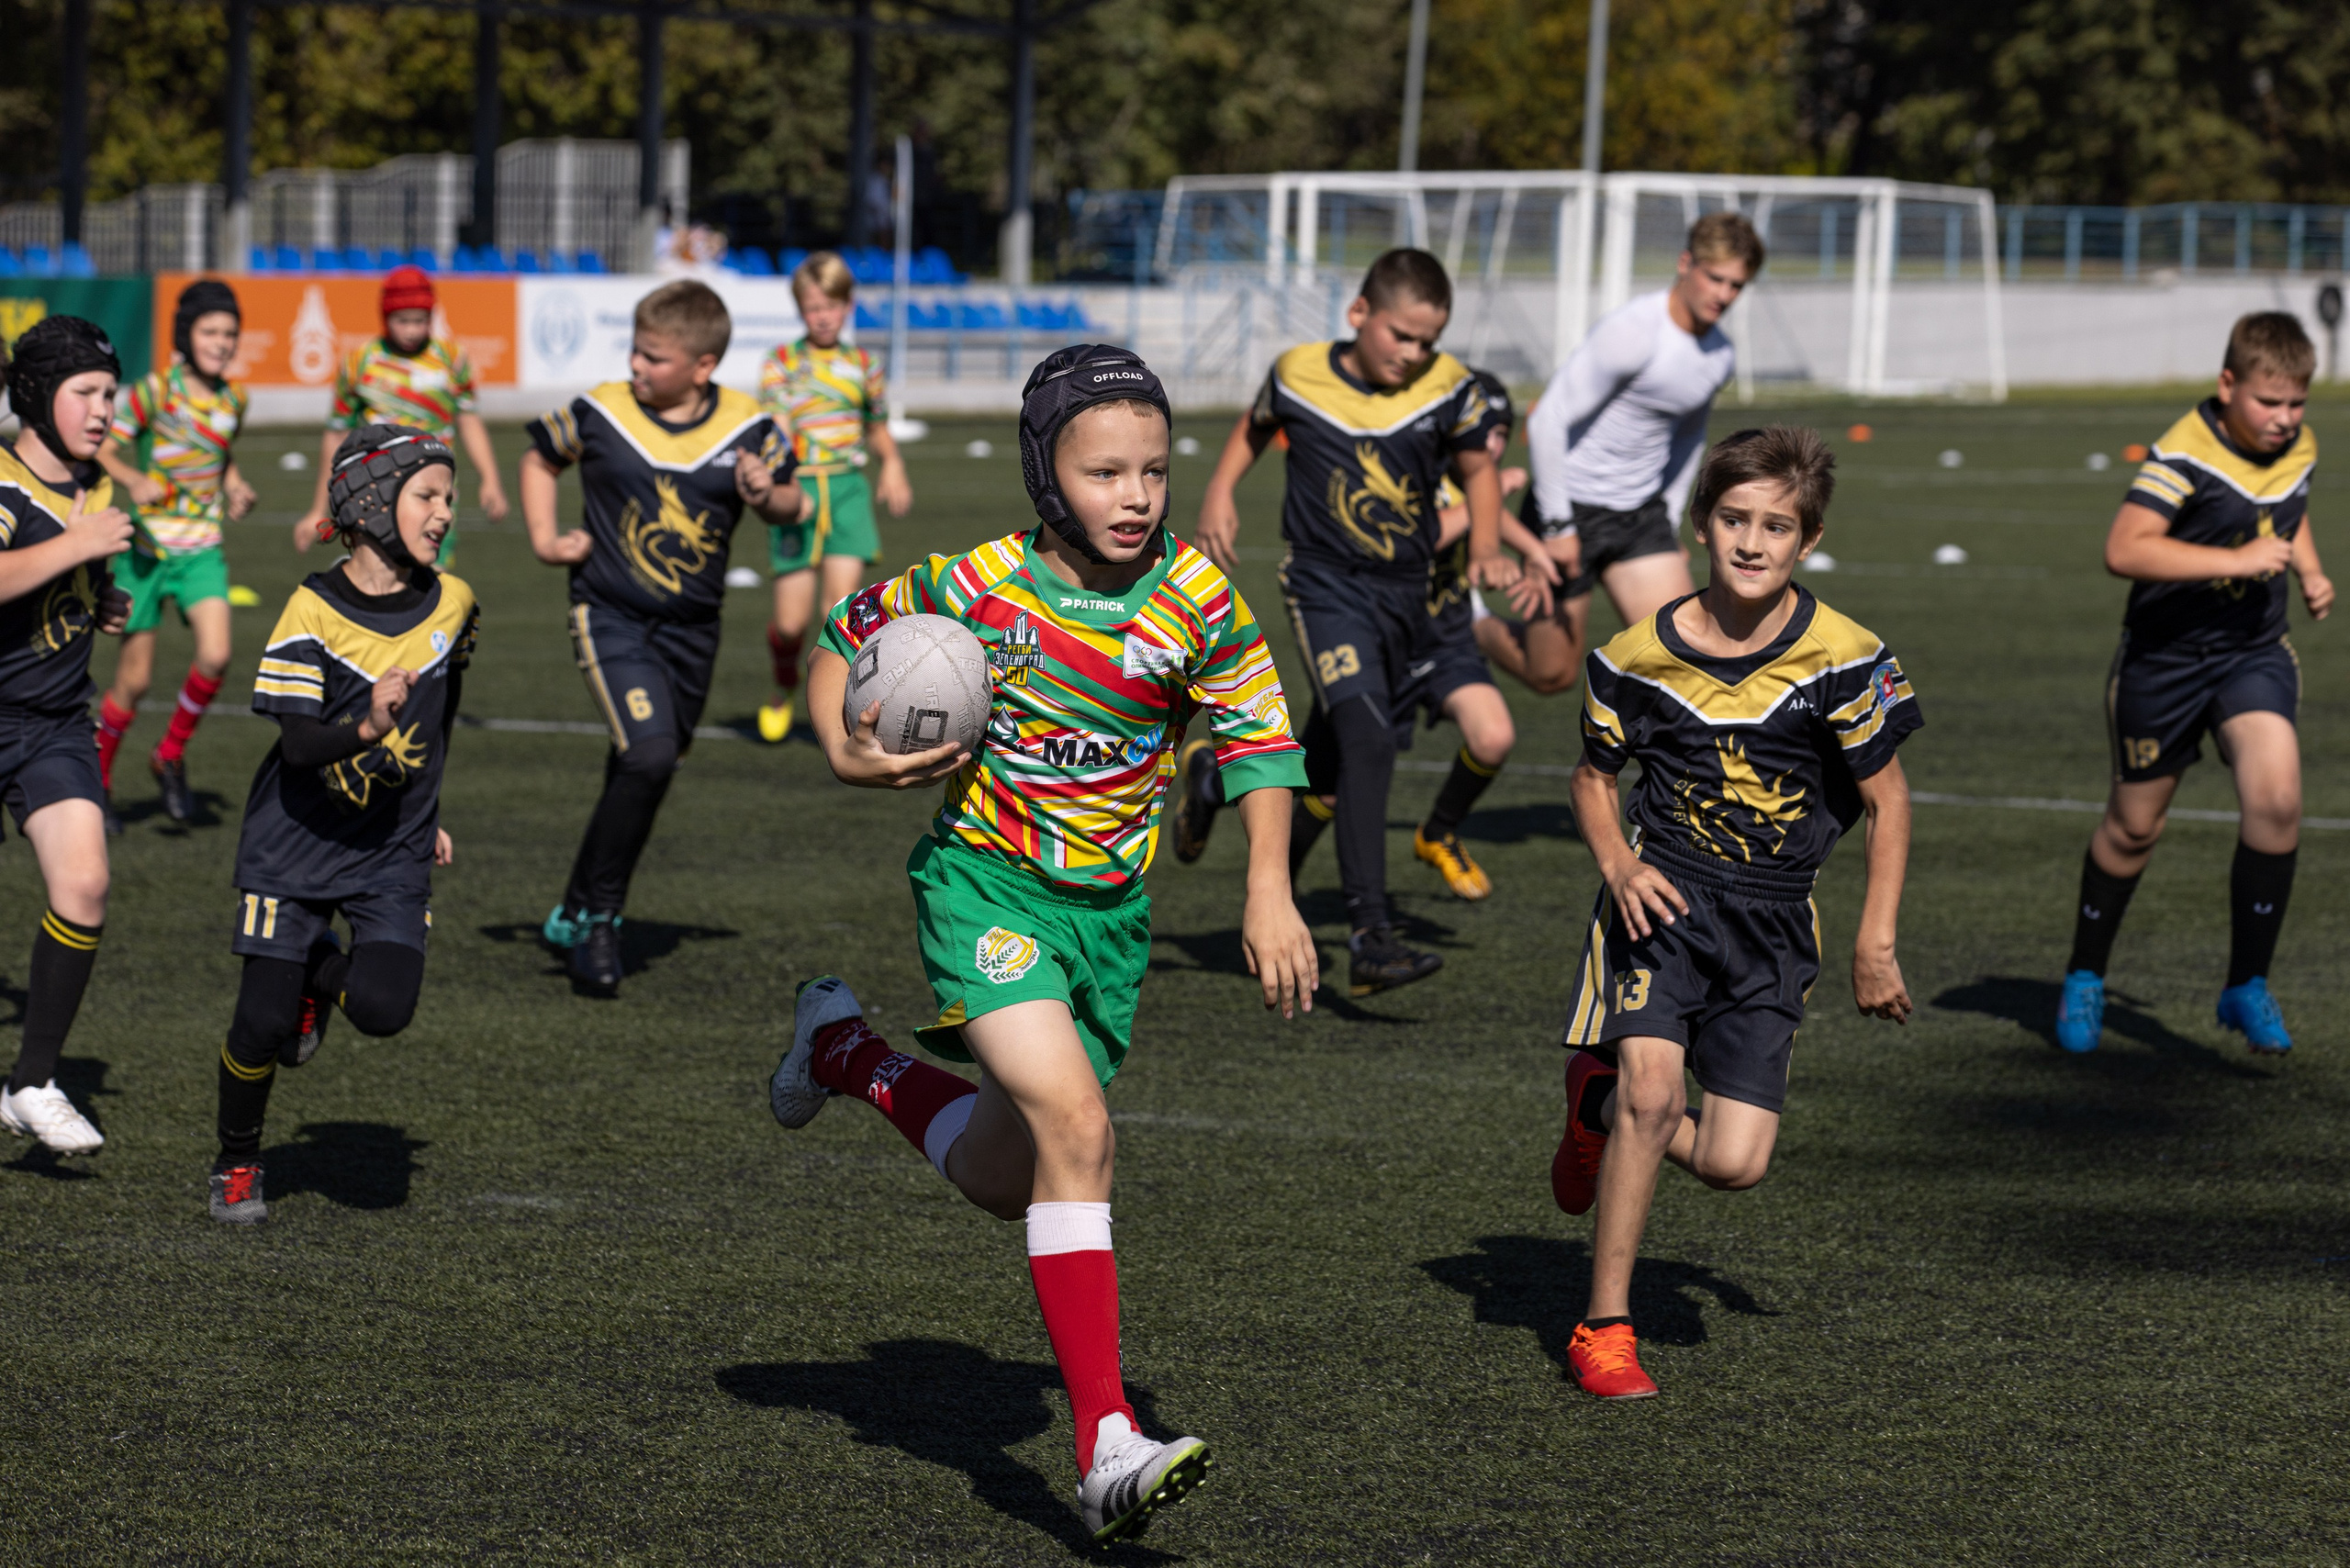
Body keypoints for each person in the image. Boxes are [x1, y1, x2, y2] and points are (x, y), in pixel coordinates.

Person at [769, 344, 1315, 1543]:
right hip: (984, 892)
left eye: (1152, 471)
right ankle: (1105, 1442)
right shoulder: (976, 586)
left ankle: (846, 1051)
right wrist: (848, 746)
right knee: (1080, 1127)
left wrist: (1267, 891)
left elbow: (1264, 741)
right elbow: (839, 640)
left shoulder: (1198, 599)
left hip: (1109, 921)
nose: (1133, 495)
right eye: (1103, 471)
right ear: (1044, 472)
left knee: (1004, 1174)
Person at [1551, 427, 1918, 1400]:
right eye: (1733, 520)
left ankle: (1592, 1100)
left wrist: (1874, 941)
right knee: (1654, 1093)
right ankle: (1604, 1325)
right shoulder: (1635, 655)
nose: (1752, 543)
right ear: (1699, 523)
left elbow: (1889, 800)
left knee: (1731, 1162)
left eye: (1776, 526)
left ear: (1809, 539)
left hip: (1772, 921)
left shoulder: (1845, 656)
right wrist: (1617, 862)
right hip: (1662, 902)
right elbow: (1593, 778)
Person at [1192, 249, 1523, 995]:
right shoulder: (1297, 372)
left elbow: (1478, 472)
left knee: (1330, 762)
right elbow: (1253, 426)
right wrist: (1220, 492)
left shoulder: (1451, 389)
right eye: (1401, 336)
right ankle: (1372, 935)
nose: (1414, 355)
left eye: (1427, 341)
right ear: (1359, 315)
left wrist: (1491, 543)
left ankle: (1215, 787)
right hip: (1324, 586)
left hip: (1406, 598)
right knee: (1368, 738)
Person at [207, 426, 478, 1224]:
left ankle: (319, 968)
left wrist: (432, 808)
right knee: (259, 1024)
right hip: (293, 840)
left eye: (448, 499)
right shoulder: (308, 609)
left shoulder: (456, 603)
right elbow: (295, 747)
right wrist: (366, 728)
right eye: (426, 496)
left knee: (386, 1009)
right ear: (368, 505)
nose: (442, 514)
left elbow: (442, 715)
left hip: (389, 846)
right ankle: (236, 1160)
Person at [2054, 312, 2331, 1055]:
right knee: (2134, 827)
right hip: (2164, 660)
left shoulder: (2298, 444)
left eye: (2297, 403)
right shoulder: (2183, 453)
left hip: (2252, 652)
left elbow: (2287, 510)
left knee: (2277, 802)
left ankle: (2247, 984)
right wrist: (2238, 563)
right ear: (2228, 384)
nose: (2284, 420)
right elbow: (2124, 548)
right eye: (2269, 403)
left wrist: (2307, 568)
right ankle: (2085, 975)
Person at [1175, 366, 1541, 906]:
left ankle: (1436, 833)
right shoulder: (1411, 464)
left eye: (1499, 434)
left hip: (1442, 639)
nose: (1490, 445)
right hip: (1371, 635)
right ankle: (1221, 799)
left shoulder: (1469, 474)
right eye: (1482, 432)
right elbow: (1428, 532)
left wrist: (1531, 551)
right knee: (1322, 778)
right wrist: (1487, 510)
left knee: (1493, 735)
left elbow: (1482, 509)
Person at [525, 281, 801, 994]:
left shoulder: (752, 428)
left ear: (703, 366)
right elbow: (538, 456)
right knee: (647, 755)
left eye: (653, 357)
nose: (636, 366)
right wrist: (545, 539)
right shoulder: (602, 408)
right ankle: (599, 925)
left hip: (693, 633)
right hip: (608, 612)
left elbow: (792, 505)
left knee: (646, 769)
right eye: (635, 352)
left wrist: (764, 492)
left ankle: (577, 906)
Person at [0, 317, 136, 1155]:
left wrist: (98, 600)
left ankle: (31, 1081)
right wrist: (77, 548)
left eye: (110, 395)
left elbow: (67, 583)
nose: (102, 411)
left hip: (51, 724)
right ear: (38, 397)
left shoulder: (97, 494)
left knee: (84, 885)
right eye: (85, 392)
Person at [1522, 212, 1764, 659]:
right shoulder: (1632, 333)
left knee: (1691, 657)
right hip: (1568, 507)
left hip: (1639, 517)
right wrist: (1557, 524)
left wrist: (1670, 515)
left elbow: (1689, 434)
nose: (1725, 295)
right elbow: (1546, 420)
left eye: (1737, 286)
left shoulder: (1720, 356)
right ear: (1685, 263)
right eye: (1715, 279)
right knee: (1550, 673)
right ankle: (1470, 630)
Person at [94, 278, 254, 827]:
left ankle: (169, 754)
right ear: (187, 334)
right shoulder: (154, 391)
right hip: (146, 552)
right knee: (133, 682)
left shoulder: (235, 399)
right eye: (211, 331)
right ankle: (100, 774)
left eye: (230, 333)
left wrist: (234, 484)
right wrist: (133, 479)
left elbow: (221, 452)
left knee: (217, 655)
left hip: (201, 550)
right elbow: (107, 449)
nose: (222, 341)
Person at [755, 250, 912, 743]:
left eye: (830, 305)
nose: (821, 315)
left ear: (848, 305)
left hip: (847, 489)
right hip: (797, 490)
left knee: (838, 613)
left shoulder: (865, 365)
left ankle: (839, 717)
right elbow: (778, 428)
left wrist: (892, 463)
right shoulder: (783, 362)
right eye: (811, 306)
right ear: (800, 308)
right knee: (789, 623)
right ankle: (783, 685)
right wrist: (780, 480)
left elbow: (877, 427)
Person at [294, 265, 507, 565]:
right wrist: (319, 509)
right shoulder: (360, 363)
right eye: (402, 320)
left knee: (432, 581)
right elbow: (337, 435)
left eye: (420, 321)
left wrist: (490, 479)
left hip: (435, 492)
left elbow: (469, 420)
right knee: (380, 584)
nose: (411, 330)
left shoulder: (451, 359)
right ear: (385, 317)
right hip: (375, 492)